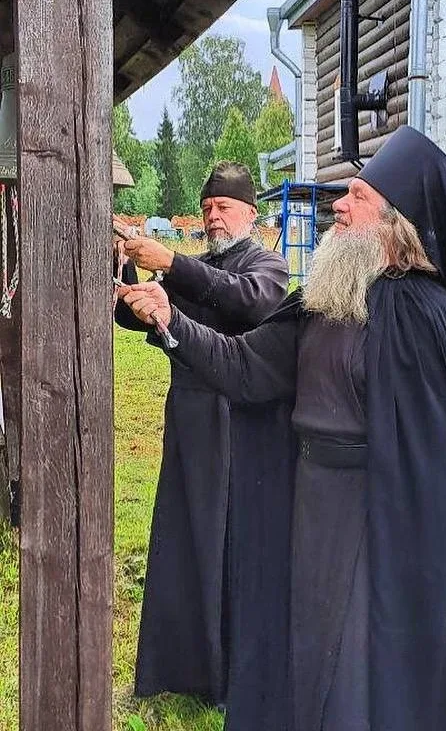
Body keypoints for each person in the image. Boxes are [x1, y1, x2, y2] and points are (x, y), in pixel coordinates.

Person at [119, 127, 446, 731]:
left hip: (379, 525)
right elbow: (244, 369)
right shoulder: (325, 300)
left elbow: (440, 467)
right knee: (308, 652)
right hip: (310, 506)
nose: (340, 207)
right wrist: (170, 321)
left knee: (357, 676)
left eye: (357, 196)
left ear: (395, 225)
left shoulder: (429, 319)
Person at [114, 160, 289, 702]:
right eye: (208, 208)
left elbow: (249, 300)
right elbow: (135, 316)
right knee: (184, 542)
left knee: (226, 545)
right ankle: (182, 670)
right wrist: (125, 267)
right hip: (188, 421)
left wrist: (171, 262)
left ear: (249, 213)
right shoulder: (198, 268)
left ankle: (229, 674)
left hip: (237, 424)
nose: (213, 217)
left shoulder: (267, 264)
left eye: (224, 207)